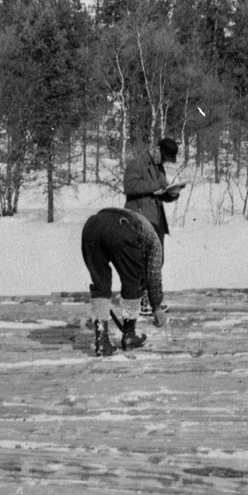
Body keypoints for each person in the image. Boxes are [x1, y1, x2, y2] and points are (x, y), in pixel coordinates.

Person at [81, 208, 169, 356]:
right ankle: (129, 336)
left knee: (100, 284)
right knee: (131, 281)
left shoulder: (140, 223)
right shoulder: (154, 241)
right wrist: (156, 307)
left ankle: (102, 341)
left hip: (91, 227)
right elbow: (153, 274)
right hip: (119, 227)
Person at [124, 137, 181, 315]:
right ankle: (142, 302)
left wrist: (171, 193)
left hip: (156, 221)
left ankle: (153, 301)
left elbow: (159, 193)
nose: (163, 161)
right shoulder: (136, 163)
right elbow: (130, 187)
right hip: (140, 220)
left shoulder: (158, 168)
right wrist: (156, 185)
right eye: (163, 157)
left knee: (157, 262)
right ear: (156, 149)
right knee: (142, 262)